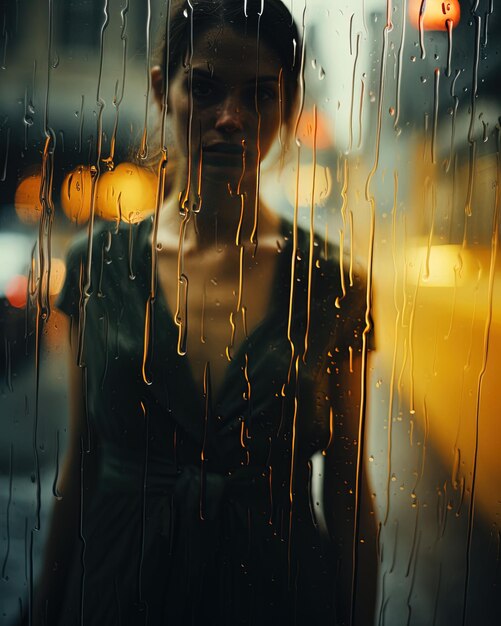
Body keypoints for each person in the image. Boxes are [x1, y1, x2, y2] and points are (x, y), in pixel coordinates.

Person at [32, 1, 374, 624]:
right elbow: (82, 463)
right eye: (205, 87)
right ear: (164, 91)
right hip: (116, 588)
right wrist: (47, 604)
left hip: (281, 595)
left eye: (260, 95)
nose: (231, 118)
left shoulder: (331, 284)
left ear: (290, 104)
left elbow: (349, 491)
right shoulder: (100, 266)